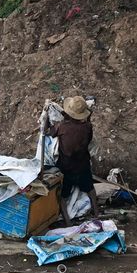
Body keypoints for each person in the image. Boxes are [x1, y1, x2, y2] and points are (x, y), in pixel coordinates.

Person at [46, 96, 99, 225]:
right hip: (82, 164)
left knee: (63, 195)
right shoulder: (87, 127)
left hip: (66, 167)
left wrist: (47, 120)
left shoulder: (61, 127)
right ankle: (96, 212)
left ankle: (67, 221)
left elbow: (49, 133)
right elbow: (88, 136)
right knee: (90, 188)